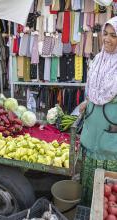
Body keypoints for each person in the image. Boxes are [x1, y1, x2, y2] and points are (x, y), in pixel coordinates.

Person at [80, 16, 117, 207]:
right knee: (89, 186)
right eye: (106, 34)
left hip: (110, 139)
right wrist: (88, 102)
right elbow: (93, 91)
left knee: (107, 198)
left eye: (114, 35)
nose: (107, 39)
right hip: (92, 131)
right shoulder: (98, 60)